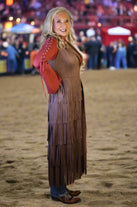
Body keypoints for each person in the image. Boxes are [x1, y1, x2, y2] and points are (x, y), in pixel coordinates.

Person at [33, 7, 87, 204]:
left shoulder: (64, 42)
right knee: (60, 142)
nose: (63, 25)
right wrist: (53, 83)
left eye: (66, 21)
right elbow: (38, 61)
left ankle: (61, 186)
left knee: (68, 141)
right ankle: (57, 191)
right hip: (62, 100)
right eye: (58, 22)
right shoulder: (52, 41)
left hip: (72, 99)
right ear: (51, 24)